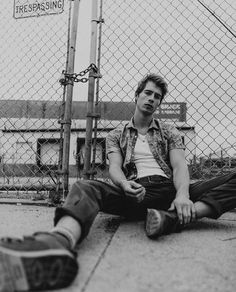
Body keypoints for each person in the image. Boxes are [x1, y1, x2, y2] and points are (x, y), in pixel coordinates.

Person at [0, 73, 236, 291]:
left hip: (171, 191)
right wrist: (124, 184)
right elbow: (114, 166)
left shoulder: (169, 131)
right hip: (136, 191)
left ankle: (176, 218)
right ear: (137, 95)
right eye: (148, 93)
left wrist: (182, 195)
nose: (152, 99)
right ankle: (57, 242)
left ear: (159, 103)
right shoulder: (116, 134)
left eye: (157, 97)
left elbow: (179, 165)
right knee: (85, 186)